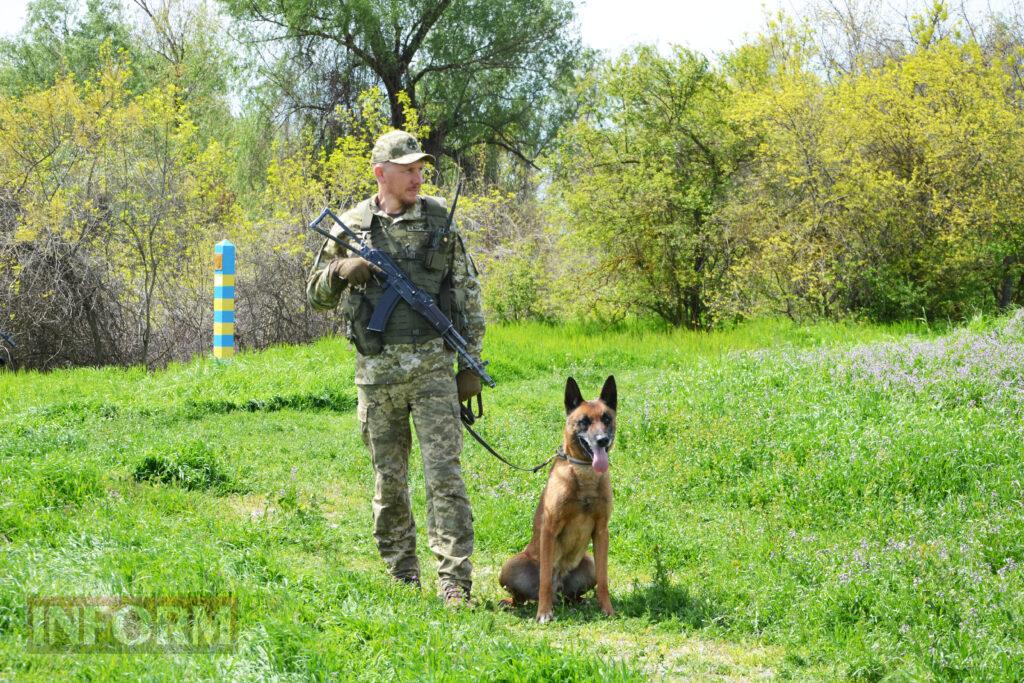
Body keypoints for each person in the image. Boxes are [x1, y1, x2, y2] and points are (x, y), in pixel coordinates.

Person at [306, 130, 486, 606]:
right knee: (389, 481)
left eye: (420, 169)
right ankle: (402, 574)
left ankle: (454, 581)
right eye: (407, 169)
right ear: (380, 172)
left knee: (444, 476)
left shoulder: (439, 220)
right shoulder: (350, 227)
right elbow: (314, 296)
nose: (417, 177)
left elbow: (468, 296)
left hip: (432, 372)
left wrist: (471, 363)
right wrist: (340, 272)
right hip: (376, 375)